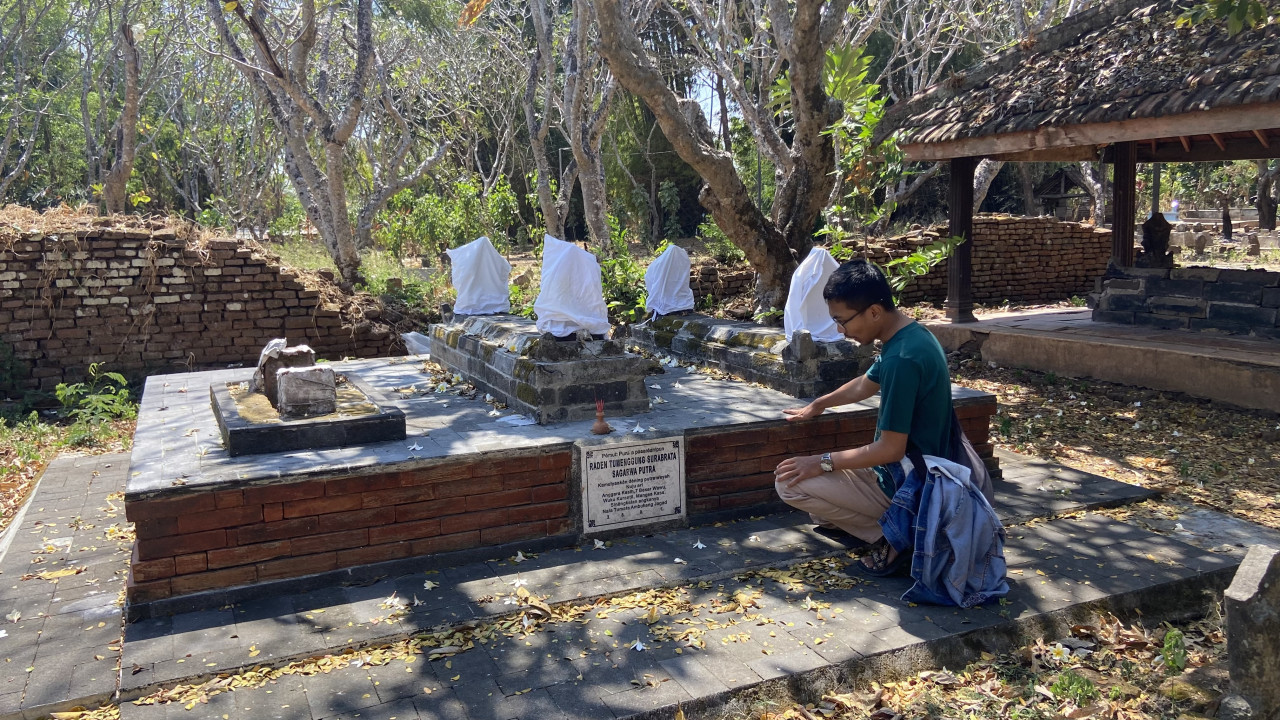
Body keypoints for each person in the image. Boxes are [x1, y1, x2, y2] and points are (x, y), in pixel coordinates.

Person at [773, 259, 957, 576]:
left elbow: (890, 449)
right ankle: (889, 525)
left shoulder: (902, 359)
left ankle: (902, 534)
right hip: (910, 471)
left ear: (873, 311)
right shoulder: (909, 336)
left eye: (842, 321)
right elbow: (865, 383)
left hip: (911, 485)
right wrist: (819, 404)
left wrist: (820, 461)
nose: (840, 331)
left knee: (789, 484)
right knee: (823, 516)